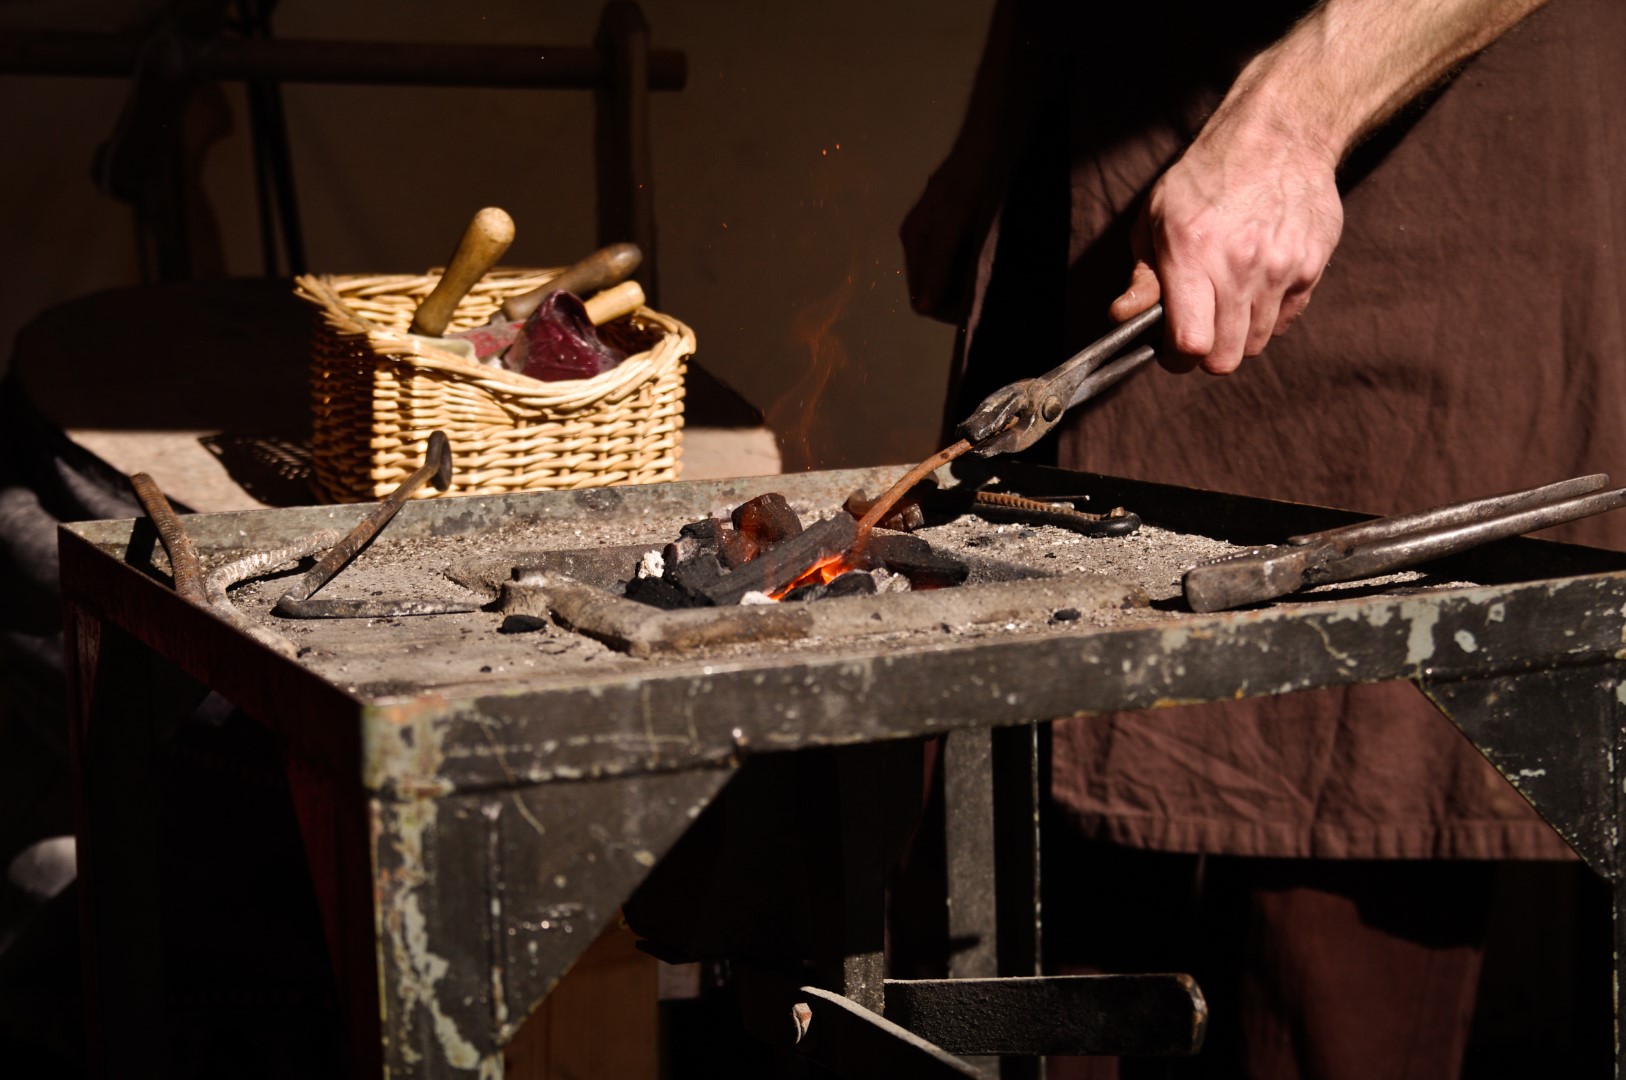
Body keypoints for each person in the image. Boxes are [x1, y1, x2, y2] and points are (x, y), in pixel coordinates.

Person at [904, 0, 1626, 1075]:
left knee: (1334, 950)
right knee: (1022, 947)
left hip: (1404, 202)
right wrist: (995, 135)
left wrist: (1295, 122)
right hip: (1097, 190)